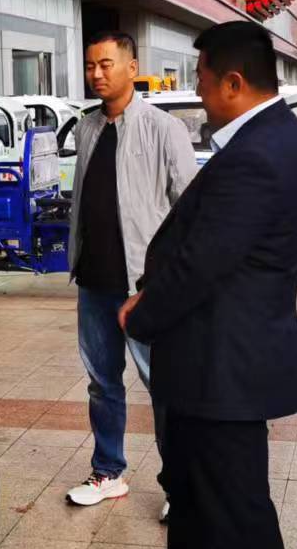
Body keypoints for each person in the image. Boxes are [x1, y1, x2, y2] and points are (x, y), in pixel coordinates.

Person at [98, 21, 297, 549]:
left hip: (227, 365)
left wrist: (141, 312)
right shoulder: (264, 139)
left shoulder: (259, 152)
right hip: (209, 358)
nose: (198, 91)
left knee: (240, 512)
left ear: (234, 83)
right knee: (191, 493)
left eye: (202, 79)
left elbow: (203, 263)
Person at [63, 32, 198, 508]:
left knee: (164, 386)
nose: (96, 74)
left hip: (144, 286)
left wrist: (172, 280)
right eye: (90, 66)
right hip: (94, 282)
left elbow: (189, 210)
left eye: (106, 64)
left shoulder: (163, 129)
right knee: (102, 383)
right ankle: (108, 472)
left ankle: (181, 485)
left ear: (132, 67)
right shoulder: (86, 128)